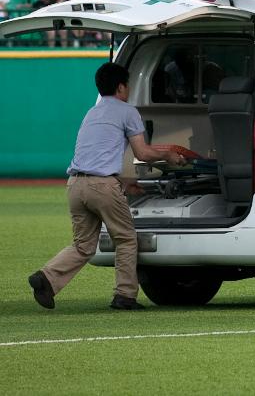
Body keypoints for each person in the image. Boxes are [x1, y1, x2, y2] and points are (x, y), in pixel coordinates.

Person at [28, 62, 184, 311]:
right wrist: (169, 157)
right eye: (128, 85)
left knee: (83, 245)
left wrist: (122, 181)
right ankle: (124, 296)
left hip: (75, 185)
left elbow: (94, 158)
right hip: (102, 186)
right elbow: (142, 153)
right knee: (125, 238)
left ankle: (46, 277)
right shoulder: (127, 111)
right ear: (121, 86)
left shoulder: (92, 112)